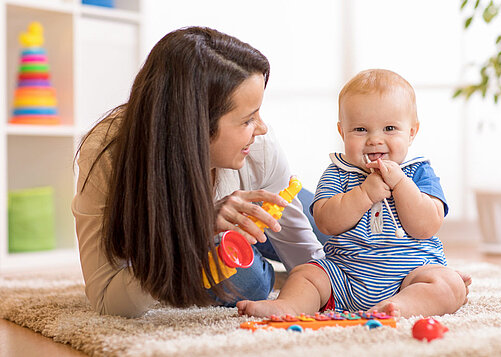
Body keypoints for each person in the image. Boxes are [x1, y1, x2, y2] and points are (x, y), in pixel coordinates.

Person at [71, 26, 324, 318]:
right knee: (246, 278)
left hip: (261, 206)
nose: (262, 128)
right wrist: (192, 230)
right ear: (195, 128)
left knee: (349, 235)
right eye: (247, 120)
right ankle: (261, 270)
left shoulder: (260, 147)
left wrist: (318, 284)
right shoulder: (108, 154)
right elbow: (107, 300)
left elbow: (307, 257)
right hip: (196, 247)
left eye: (258, 113)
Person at [237, 69, 471, 318]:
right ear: (342, 132)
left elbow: (426, 226)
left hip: (410, 275)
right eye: (360, 130)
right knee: (306, 274)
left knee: (450, 285)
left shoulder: (419, 171)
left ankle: (400, 307)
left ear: (412, 132)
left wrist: (400, 184)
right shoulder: (338, 172)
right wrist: (364, 194)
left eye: (390, 128)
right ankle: (288, 307)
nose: (374, 139)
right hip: (344, 275)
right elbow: (325, 223)